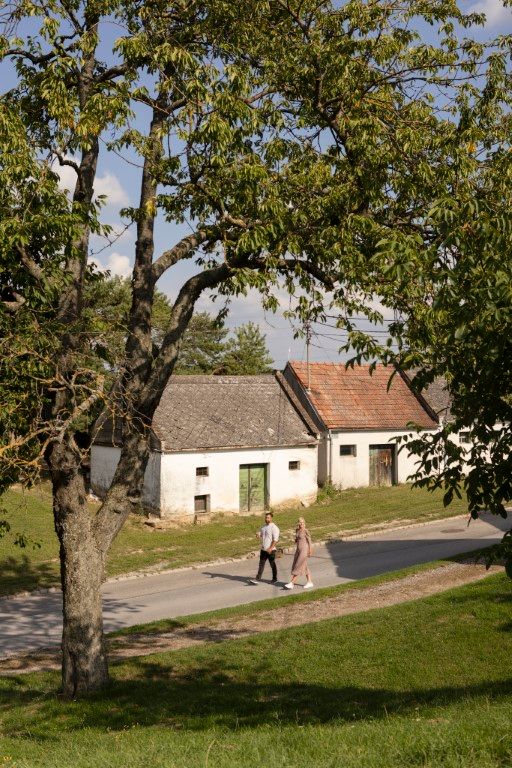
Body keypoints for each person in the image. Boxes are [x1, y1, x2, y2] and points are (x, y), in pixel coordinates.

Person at [284, 517, 313, 589]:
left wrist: (310, 550)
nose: (301, 524)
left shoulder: (306, 531)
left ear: (304, 523)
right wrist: (296, 540)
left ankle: (292, 583)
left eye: (302, 523)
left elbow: (309, 541)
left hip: (304, 550)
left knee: (298, 565)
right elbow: (297, 539)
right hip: (298, 550)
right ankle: (309, 582)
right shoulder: (297, 530)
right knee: (304, 566)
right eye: (300, 522)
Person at [253, 511, 280, 584]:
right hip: (263, 549)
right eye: (266, 517)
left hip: (271, 550)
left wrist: (270, 548)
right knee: (261, 564)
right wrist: (258, 535)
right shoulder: (263, 527)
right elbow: (262, 535)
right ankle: (257, 579)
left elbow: (275, 540)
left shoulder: (274, 527)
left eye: (268, 518)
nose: (266, 519)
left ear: (271, 518)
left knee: (272, 564)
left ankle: (275, 579)